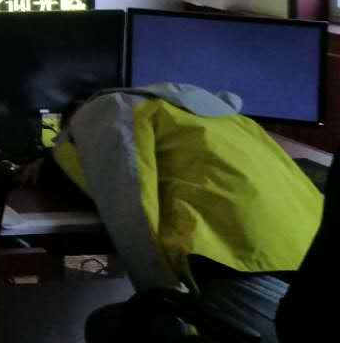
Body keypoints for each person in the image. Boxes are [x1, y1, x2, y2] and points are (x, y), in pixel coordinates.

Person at [30, 83, 322, 339]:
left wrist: (159, 293)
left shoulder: (104, 111)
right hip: (307, 267)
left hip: (235, 269)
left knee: (110, 323)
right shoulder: (226, 119)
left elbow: (123, 198)